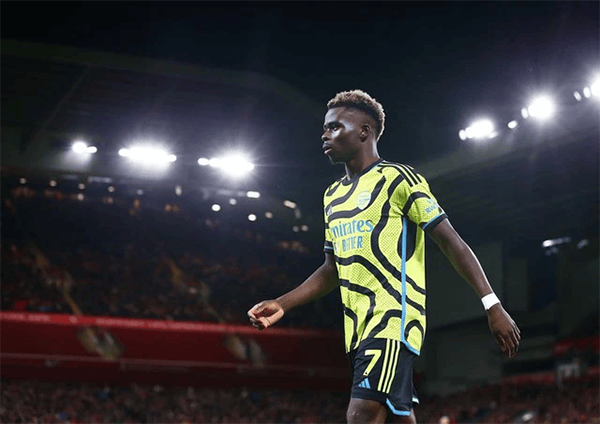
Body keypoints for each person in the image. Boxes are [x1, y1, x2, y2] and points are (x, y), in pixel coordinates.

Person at [248, 90, 521, 424]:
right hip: (357, 328)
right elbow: (332, 269)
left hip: (393, 318)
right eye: (325, 128)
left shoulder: (399, 179)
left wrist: (492, 305)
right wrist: (283, 303)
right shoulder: (332, 196)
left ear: (364, 131)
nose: (325, 134)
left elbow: (451, 242)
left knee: (361, 414)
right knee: (397, 416)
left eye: (335, 127)